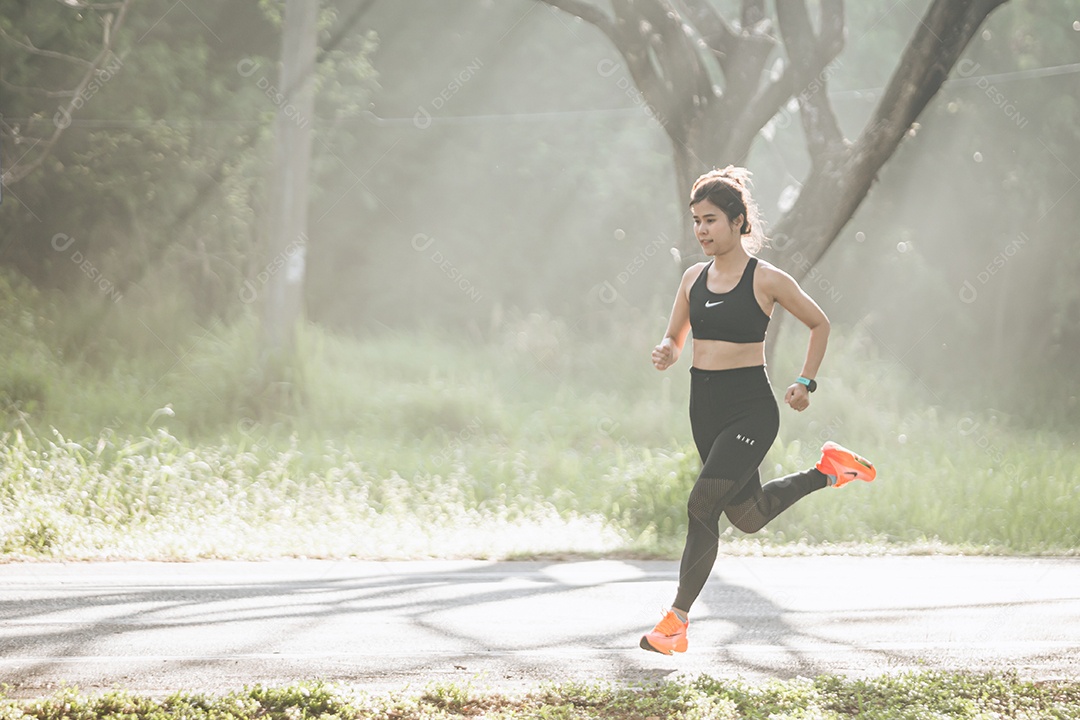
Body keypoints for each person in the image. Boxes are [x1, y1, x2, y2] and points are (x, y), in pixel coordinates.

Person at [640, 166, 876, 656]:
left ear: (737, 221)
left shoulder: (766, 278)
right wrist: (666, 349)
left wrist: (805, 381)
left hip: (750, 410)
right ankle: (829, 471)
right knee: (746, 515)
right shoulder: (692, 278)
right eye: (696, 221)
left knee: (701, 506)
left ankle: (676, 622)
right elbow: (676, 335)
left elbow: (819, 323)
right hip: (702, 407)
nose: (701, 230)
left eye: (710, 220)